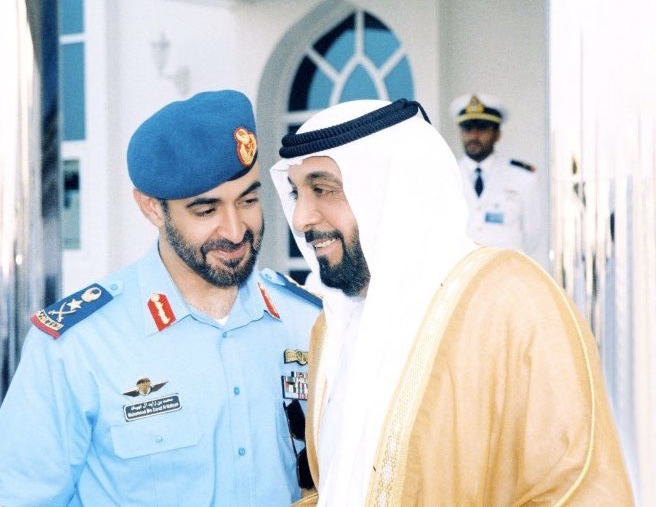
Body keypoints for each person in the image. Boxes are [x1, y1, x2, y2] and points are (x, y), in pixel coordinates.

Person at [269, 98, 634, 506]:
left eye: (323, 189)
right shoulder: (332, 327)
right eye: (297, 193)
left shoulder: (514, 305)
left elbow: (580, 491)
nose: (300, 218)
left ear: (393, 192)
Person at [0, 90, 321, 506]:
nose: (234, 229)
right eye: (206, 211)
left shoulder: (308, 322)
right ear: (152, 208)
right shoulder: (77, 347)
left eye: (248, 200)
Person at [449, 93, 542, 259]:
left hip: (505, 272)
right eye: (467, 128)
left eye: (482, 128)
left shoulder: (522, 178)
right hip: (460, 272)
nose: (474, 136)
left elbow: (532, 238)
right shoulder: (447, 175)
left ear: (497, 134)